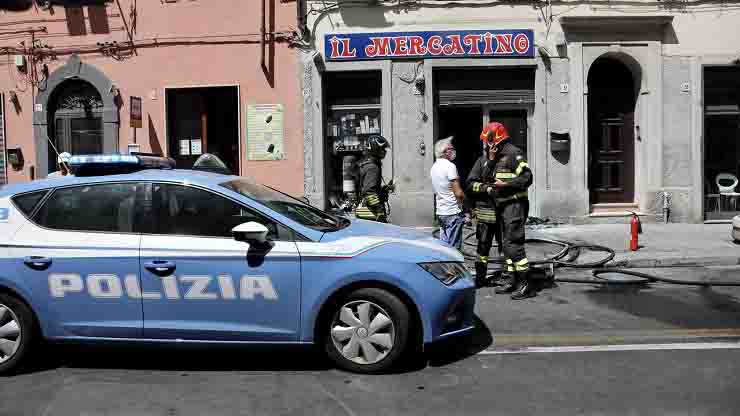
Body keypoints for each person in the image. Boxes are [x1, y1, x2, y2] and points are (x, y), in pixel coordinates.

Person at [480, 122, 535, 300]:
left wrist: (507, 185)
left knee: (513, 244)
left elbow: (527, 177)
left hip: (514, 205)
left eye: (487, 140)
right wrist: (490, 158)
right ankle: (511, 280)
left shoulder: (513, 153)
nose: (485, 143)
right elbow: (486, 178)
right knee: (505, 245)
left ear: (494, 138)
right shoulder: (494, 156)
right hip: (502, 206)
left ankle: (526, 284)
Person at [466, 132, 502, 288]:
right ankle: (480, 278)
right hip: (485, 215)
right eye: (491, 143)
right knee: (482, 248)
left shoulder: (506, 162)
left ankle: (507, 276)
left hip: (503, 214)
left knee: (505, 248)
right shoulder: (481, 162)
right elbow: (469, 184)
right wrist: (485, 188)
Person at [431, 137, 466, 250]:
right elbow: (458, 193)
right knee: (454, 249)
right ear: (446, 151)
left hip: (441, 212)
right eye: (452, 148)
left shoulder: (434, 167)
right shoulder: (450, 166)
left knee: (444, 248)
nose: (454, 151)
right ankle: (453, 268)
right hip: (452, 212)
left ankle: (443, 267)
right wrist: (468, 208)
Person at [355, 135, 391, 222]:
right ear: (376, 149)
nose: (385, 151)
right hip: (370, 212)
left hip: (365, 211)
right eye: (383, 149)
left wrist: (383, 190)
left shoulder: (367, 164)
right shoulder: (373, 168)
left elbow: (368, 188)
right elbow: (369, 192)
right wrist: (379, 211)